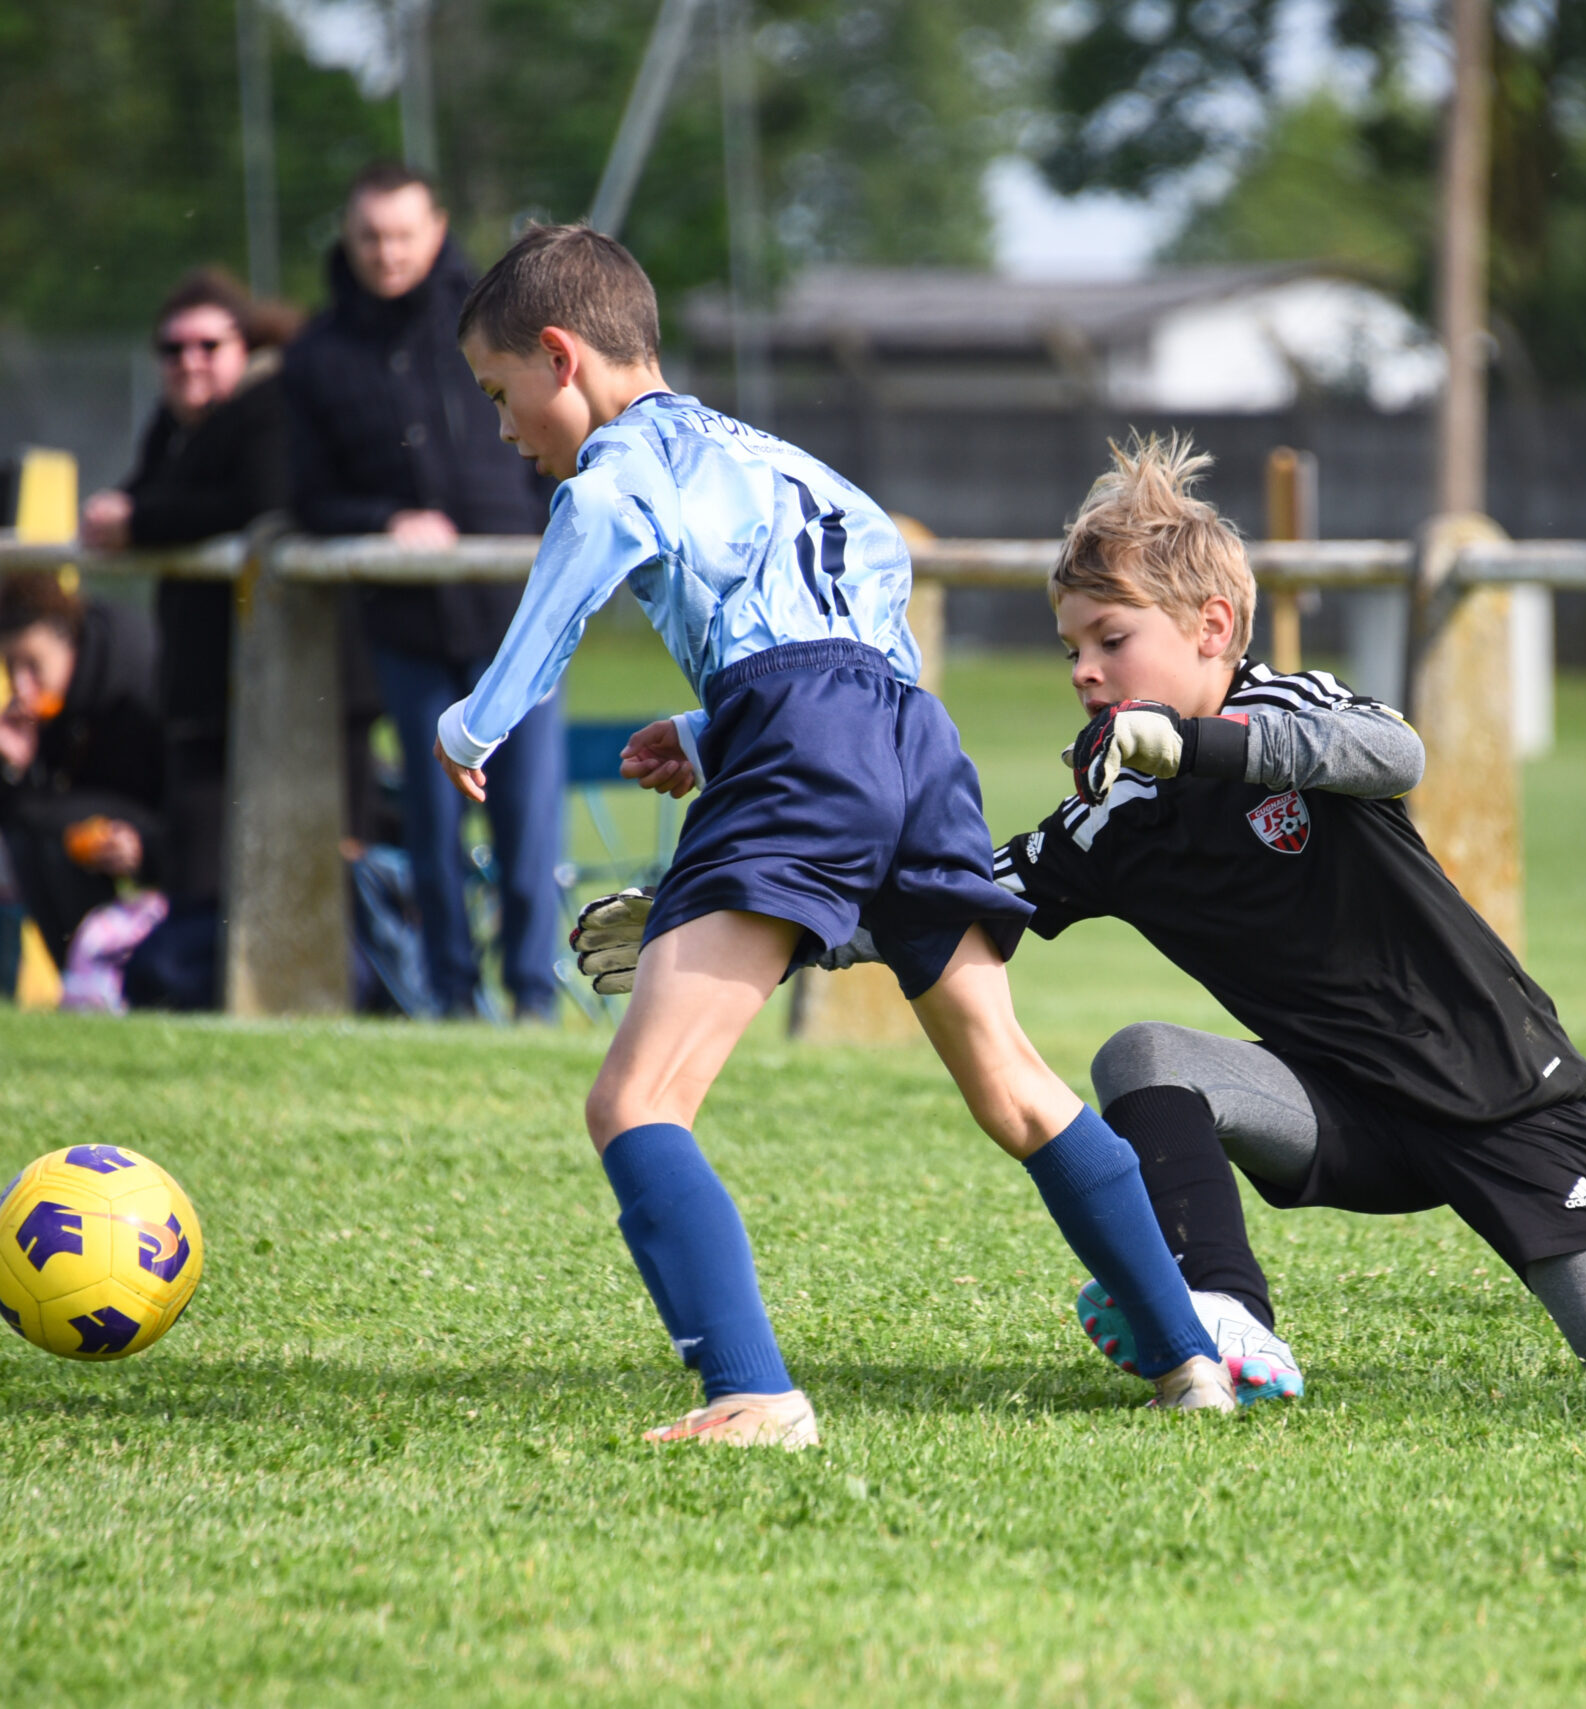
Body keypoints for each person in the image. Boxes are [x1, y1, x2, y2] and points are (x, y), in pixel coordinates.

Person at [434, 224, 1236, 1446]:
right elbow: (851, 621)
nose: (502, 430)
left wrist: (478, 717)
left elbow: (593, 526)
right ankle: (1191, 1359)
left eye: (500, 395)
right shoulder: (779, 459)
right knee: (1016, 1086)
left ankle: (751, 1395)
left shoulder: (623, 459)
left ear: (561, 355)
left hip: (802, 741)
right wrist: (712, 728)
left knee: (635, 1098)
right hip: (915, 738)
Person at [981, 439, 1586, 1397]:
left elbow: (1395, 753)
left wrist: (1195, 745)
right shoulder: (1115, 813)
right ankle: (1219, 1313)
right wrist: (841, 910)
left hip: (1497, 1089)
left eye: (1111, 640)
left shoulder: (1286, 706)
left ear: (1212, 626)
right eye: (1072, 650)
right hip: (1341, 1112)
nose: (1084, 672)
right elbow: (966, 897)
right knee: (1145, 1056)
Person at [285, 162, 563, 1020]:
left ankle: (533, 998)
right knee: (434, 831)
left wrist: (556, 550)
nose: (387, 252)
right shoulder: (318, 353)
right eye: (370, 236)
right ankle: (449, 999)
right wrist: (383, 520)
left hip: (518, 616)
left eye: (403, 234)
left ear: (437, 230)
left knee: (527, 824)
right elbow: (305, 496)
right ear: (348, 239)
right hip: (406, 627)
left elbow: (562, 439)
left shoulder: (501, 324)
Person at [81, 267, 292, 921]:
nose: (189, 361)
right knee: (198, 879)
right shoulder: (174, 425)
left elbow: (256, 503)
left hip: (270, 693)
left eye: (208, 346)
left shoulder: (270, 408)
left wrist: (139, 521)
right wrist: (119, 513)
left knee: (266, 879)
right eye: (172, 349)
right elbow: (150, 493)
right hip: (197, 694)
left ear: (244, 348)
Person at [0, 573, 167, 966]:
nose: (22, 686)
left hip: (161, 834)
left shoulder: (134, 672)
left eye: (33, 665)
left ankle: (113, 975)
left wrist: (147, 847)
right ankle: (80, 976)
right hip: (95, 824)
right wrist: (12, 767)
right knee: (31, 837)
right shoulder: (49, 709)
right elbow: (10, 821)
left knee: (53, 834)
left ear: (68, 639)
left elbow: (187, 793)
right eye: (9, 668)